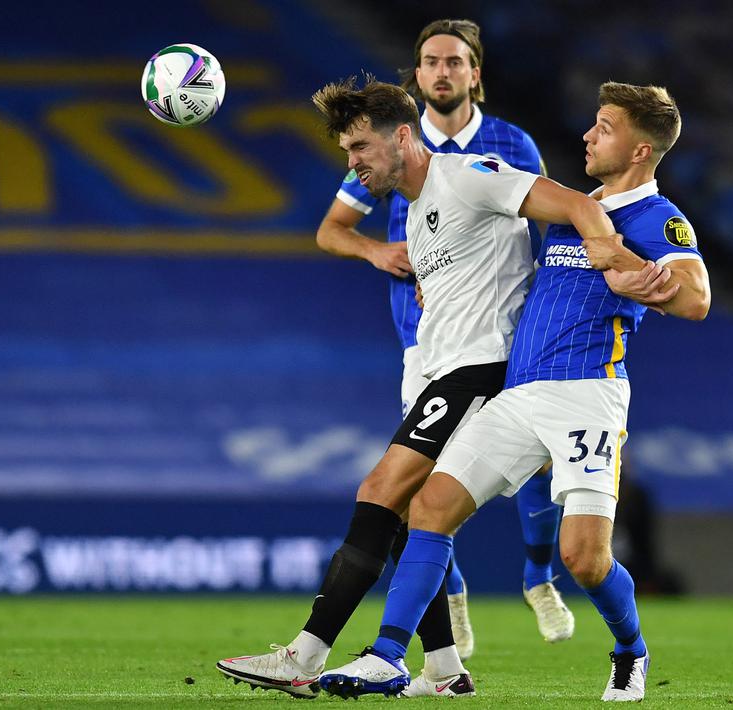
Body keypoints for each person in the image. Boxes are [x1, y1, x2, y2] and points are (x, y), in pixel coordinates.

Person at [217, 76, 630, 699]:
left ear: (402, 137)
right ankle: (443, 669)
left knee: (380, 491)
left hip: (482, 370)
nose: (353, 164)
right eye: (347, 151)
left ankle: (303, 657)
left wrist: (605, 253)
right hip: (448, 372)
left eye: (360, 147)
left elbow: (575, 204)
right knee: (412, 516)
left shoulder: (469, 175)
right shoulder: (418, 211)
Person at [317, 82, 708, 702]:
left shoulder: (657, 219)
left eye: (605, 128)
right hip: (519, 391)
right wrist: (439, 283)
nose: (588, 135)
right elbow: (505, 267)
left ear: (640, 150)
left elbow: (697, 299)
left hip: (587, 394)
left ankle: (630, 649)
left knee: (583, 559)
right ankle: (389, 656)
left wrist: (633, 273)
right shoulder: (575, 212)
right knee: (429, 506)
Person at [315, 18, 572, 664]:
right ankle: (447, 610)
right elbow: (332, 228)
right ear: (417, 72)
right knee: (415, 488)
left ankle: (538, 577)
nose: (441, 71)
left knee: (528, 467)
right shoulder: (383, 142)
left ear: (473, 73)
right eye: (430, 61)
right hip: (423, 340)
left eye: (454, 62)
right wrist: (377, 252)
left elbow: (543, 222)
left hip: (493, 334)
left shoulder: (507, 144)